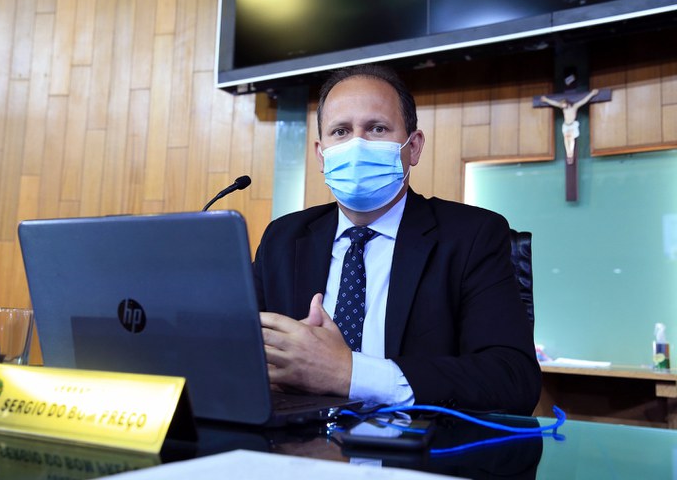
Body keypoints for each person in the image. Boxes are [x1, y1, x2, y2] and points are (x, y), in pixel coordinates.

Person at [254, 64, 541, 415]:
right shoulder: (282, 239)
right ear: (320, 154)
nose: (357, 145)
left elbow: (512, 379)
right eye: (341, 131)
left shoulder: (473, 236)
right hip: (298, 442)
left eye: (377, 128)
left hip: (420, 444)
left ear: (413, 147)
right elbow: (235, 348)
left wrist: (349, 372)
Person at [540, 89, 599, 165]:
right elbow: (555, 103)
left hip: (572, 125)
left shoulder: (574, 107)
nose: (562, 106)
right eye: (562, 105)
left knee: (571, 138)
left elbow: (584, 101)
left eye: (563, 105)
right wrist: (546, 100)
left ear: (567, 103)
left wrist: (592, 94)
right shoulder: (564, 109)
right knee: (566, 138)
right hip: (566, 125)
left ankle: (570, 153)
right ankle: (568, 153)